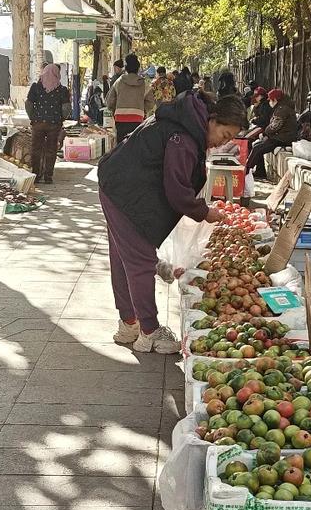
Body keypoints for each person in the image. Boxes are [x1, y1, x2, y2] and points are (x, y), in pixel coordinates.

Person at [98, 91, 247, 352]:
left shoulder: (184, 121)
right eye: (224, 136)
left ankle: (128, 324)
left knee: (124, 258)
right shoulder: (184, 138)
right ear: (212, 120)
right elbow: (177, 191)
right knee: (140, 261)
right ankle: (149, 332)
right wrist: (204, 212)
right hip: (124, 193)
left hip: (118, 184)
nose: (220, 143)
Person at [25, 63, 69, 184]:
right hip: (54, 124)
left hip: (38, 123)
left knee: (36, 149)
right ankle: (48, 176)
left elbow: (28, 104)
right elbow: (66, 108)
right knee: (51, 149)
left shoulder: (35, 87)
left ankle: (36, 174)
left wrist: (33, 117)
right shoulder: (62, 90)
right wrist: (61, 119)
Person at [245, 88, 300, 178]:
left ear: (275, 100)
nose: (270, 102)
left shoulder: (282, 109)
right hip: (280, 136)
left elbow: (275, 126)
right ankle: (259, 171)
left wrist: (265, 133)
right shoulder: (281, 108)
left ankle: (246, 170)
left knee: (258, 148)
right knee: (257, 146)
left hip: (282, 138)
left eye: (270, 100)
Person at [107, 53, 150, 144]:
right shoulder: (144, 84)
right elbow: (150, 102)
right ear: (138, 68)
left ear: (125, 68)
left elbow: (109, 101)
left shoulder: (118, 82)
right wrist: (142, 109)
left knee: (121, 146)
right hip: (138, 119)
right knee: (135, 145)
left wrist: (115, 109)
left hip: (120, 119)